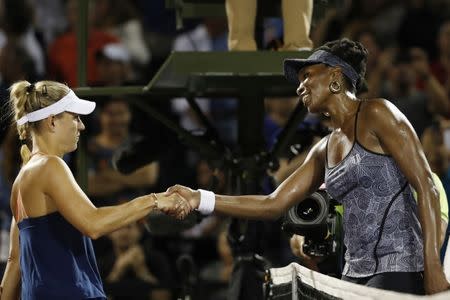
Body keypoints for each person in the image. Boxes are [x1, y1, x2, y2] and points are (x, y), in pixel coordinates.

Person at [166, 38, 450, 295]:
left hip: (400, 267)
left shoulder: (378, 113)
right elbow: (272, 204)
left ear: (335, 76)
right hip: (352, 274)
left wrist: (434, 267)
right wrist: (199, 198)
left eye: (307, 76)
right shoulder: (324, 148)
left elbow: (426, 186)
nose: (300, 86)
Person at [0, 80, 190, 299]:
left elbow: (15, 262)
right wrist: (154, 200)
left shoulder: (21, 178)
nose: (81, 126)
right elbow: (94, 223)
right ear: (52, 121)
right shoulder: (50, 166)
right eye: (75, 117)